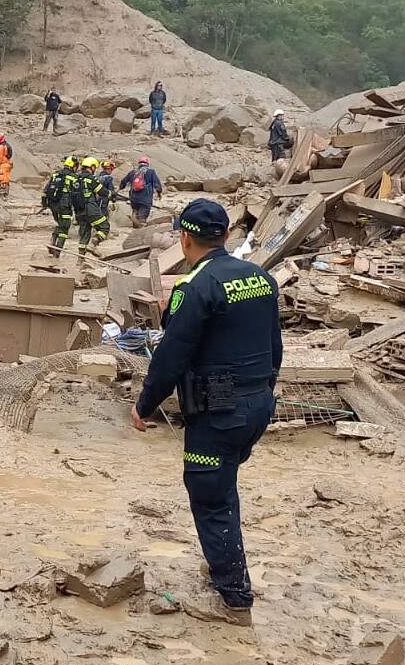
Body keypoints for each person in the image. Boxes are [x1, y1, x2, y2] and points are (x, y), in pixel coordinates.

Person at [130, 199, 281, 625]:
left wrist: (144, 405)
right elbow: (275, 347)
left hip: (217, 411)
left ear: (184, 237)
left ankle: (234, 599)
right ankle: (223, 566)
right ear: (227, 236)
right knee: (224, 485)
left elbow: (170, 357)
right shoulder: (260, 277)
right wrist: (262, 397)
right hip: (255, 407)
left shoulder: (194, 288)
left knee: (211, 499)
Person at [75, 157, 110, 263]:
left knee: (84, 233)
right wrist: (111, 194)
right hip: (90, 208)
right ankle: (93, 244)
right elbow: (101, 191)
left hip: (79, 211)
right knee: (104, 227)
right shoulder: (91, 178)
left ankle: (80, 260)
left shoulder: (75, 179)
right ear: (92, 167)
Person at [43, 156, 78, 258]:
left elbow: (46, 191)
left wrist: (45, 204)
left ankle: (53, 242)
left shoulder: (55, 174)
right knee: (65, 228)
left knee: (60, 224)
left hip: (53, 204)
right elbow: (77, 193)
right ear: (73, 166)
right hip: (65, 205)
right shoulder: (73, 177)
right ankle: (57, 251)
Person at [119, 157, 163, 228]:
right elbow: (156, 184)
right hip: (145, 198)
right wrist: (159, 192)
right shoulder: (151, 172)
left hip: (133, 198)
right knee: (143, 216)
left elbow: (123, 182)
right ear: (147, 164)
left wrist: (121, 187)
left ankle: (134, 224)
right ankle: (140, 228)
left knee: (135, 210)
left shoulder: (133, 172)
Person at [0, 132, 14, 198]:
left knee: (2, 179)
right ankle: (6, 194)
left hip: (3, 165)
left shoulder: (1, 146)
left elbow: (0, 157)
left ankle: (2, 195)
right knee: (6, 179)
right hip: (8, 164)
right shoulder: (7, 145)